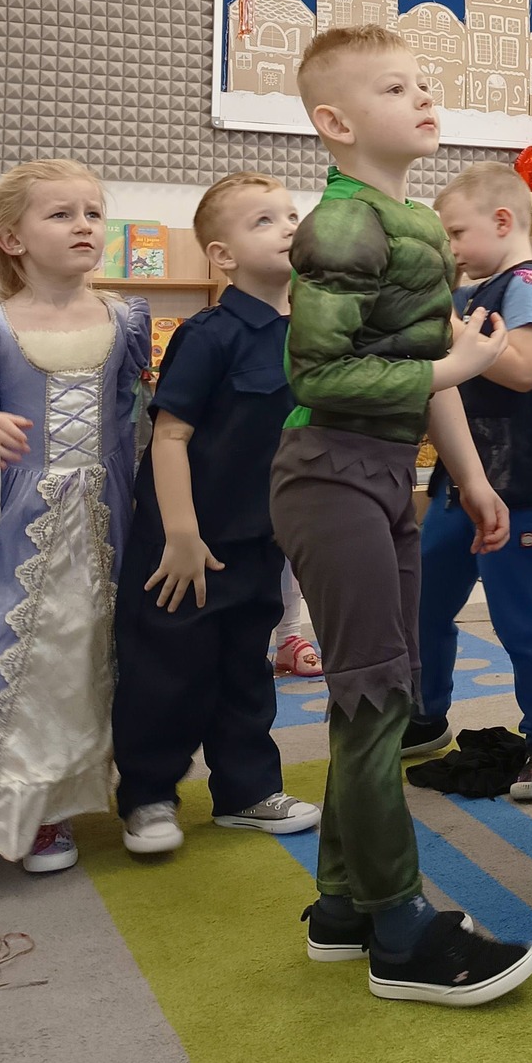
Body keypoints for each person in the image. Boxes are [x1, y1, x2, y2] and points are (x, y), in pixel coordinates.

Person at [269, 25, 532, 1008]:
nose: (423, 97)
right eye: (394, 87)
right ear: (335, 122)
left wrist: (471, 478)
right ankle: (401, 927)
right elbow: (319, 373)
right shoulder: (342, 225)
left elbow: (434, 370)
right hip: (329, 470)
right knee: (375, 696)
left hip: (388, 474)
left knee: (381, 690)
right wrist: (453, 366)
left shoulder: (413, 220)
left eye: (422, 82)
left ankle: (344, 905)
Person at [112, 172, 319, 855]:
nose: (288, 227)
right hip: (184, 542)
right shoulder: (209, 334)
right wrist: (180, 534)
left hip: (259, 539)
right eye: (264, 221)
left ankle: (246, 791)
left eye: (291, 215)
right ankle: (148, 796)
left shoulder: (309, 332)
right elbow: (170, 435)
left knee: (246, 669)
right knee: (166, 672)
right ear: (222, 256)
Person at [0, 161, 150, 874]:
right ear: (12, 239)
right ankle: (1, 798)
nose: (84, 227)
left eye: (93, 213)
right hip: (14, 521)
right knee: (2, 648)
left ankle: (52, 809)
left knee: (83, 657)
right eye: (61, 214)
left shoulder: (126, 320)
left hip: (107, 515)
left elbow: (137, 418)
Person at [402, 165, 532, 802]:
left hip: (520, 484)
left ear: (502, 222)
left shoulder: (528, 286)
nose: (449, 249)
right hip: (464, 481)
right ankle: (426, 713)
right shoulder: (475, 293)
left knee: (521, 619)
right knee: (424, 600)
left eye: (455, 234)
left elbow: (525, 370)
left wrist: (450, 324)